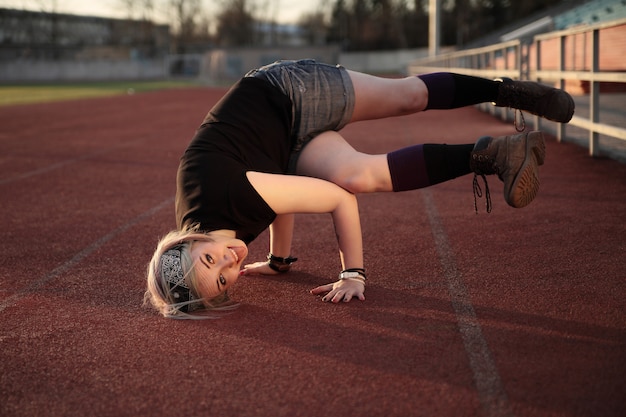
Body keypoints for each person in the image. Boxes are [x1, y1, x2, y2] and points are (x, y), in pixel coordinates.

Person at [144, 59, 574, 319]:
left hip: (289, 93)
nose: (230, 262)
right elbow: (276, 196)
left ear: (189, 239)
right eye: (222, 281)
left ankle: (512, 93)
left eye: (209, 259)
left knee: (407, 96)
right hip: (284, 148)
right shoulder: (217, 224)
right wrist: (277, 261)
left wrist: (353, 273)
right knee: (359, 175)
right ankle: (498, 155)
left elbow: (331, 201)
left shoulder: (226, 196)